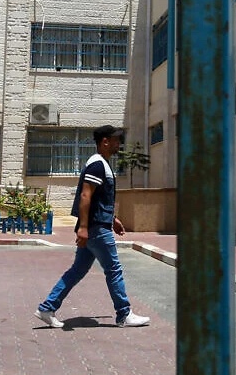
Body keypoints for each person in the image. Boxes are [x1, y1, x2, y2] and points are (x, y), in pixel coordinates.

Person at [35, 125, 150, 328]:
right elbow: (86, 195)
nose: (119, 143)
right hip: (96, 229)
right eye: (115, 139)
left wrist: (112, 219)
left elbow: (97, 199)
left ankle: (47, 307)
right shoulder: (97, 165)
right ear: (104, 141)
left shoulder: (102, 164)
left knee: (78, 270)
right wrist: (84, 228)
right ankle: (124, 314)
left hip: (96, 225)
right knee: (113, 269)